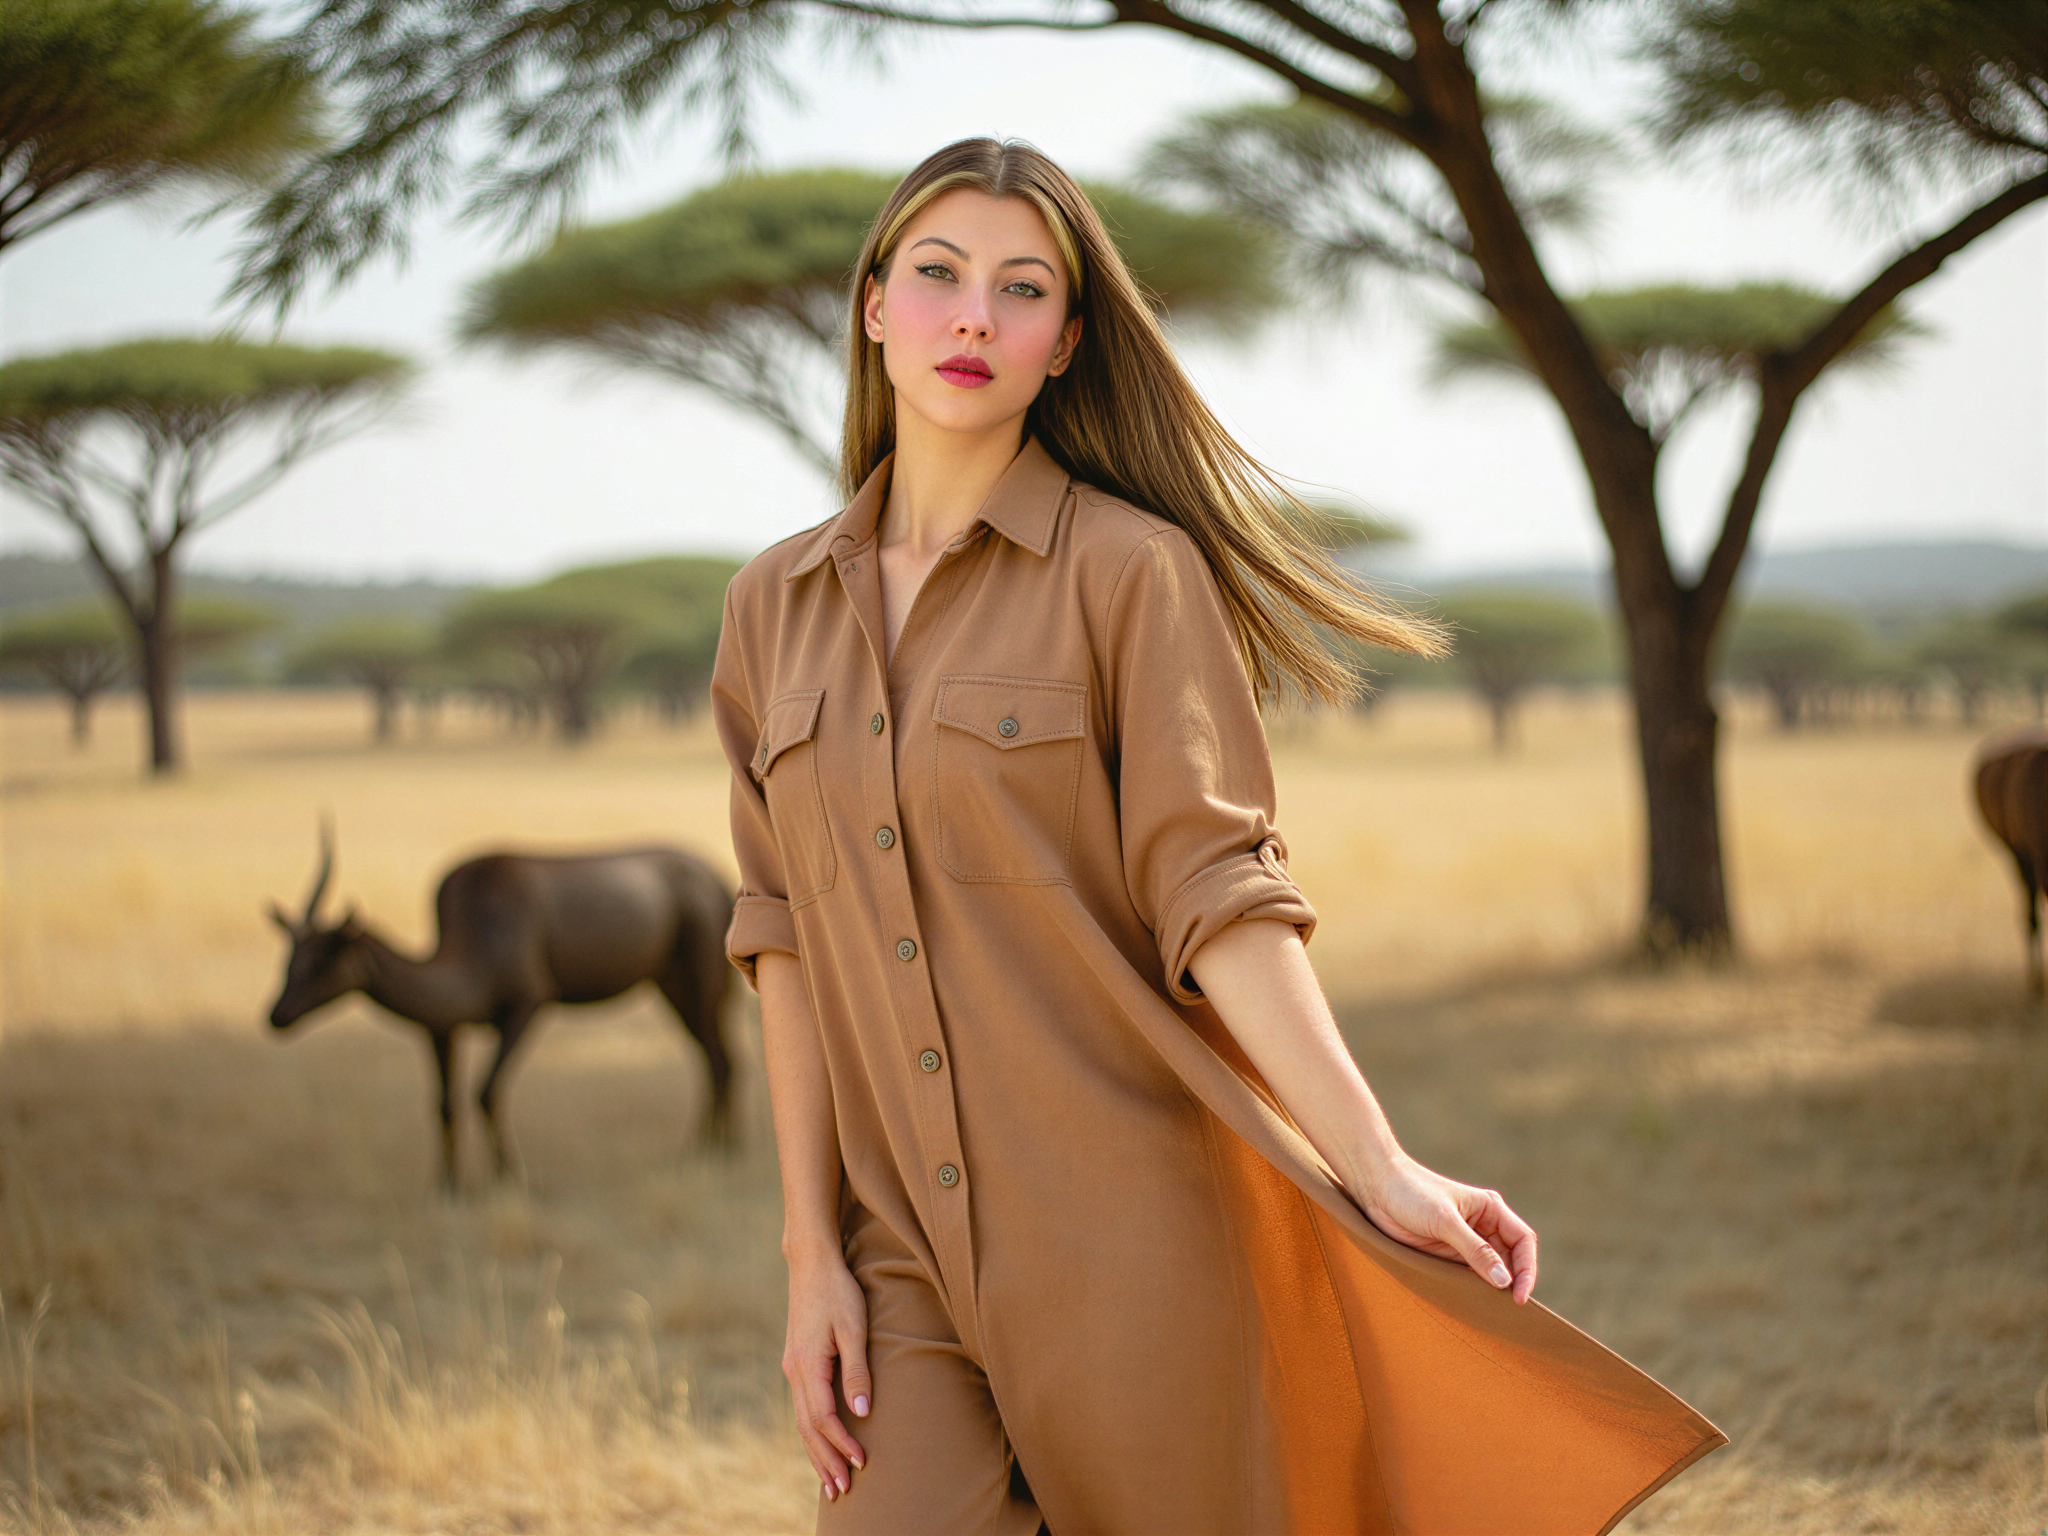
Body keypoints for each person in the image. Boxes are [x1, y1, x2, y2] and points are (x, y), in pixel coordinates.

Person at [711, 137, 1722, 1536]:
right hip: (901, 1272)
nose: (971, 319)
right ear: (873, 303)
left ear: (1065, 343)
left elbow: (1219, 894)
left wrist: (1380, 1165)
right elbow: (785, 944)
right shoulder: (772, 607)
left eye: (1020, 290)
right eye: (936, 276)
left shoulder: (1134, 573)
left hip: (1136, 1240)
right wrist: (809, 1257)